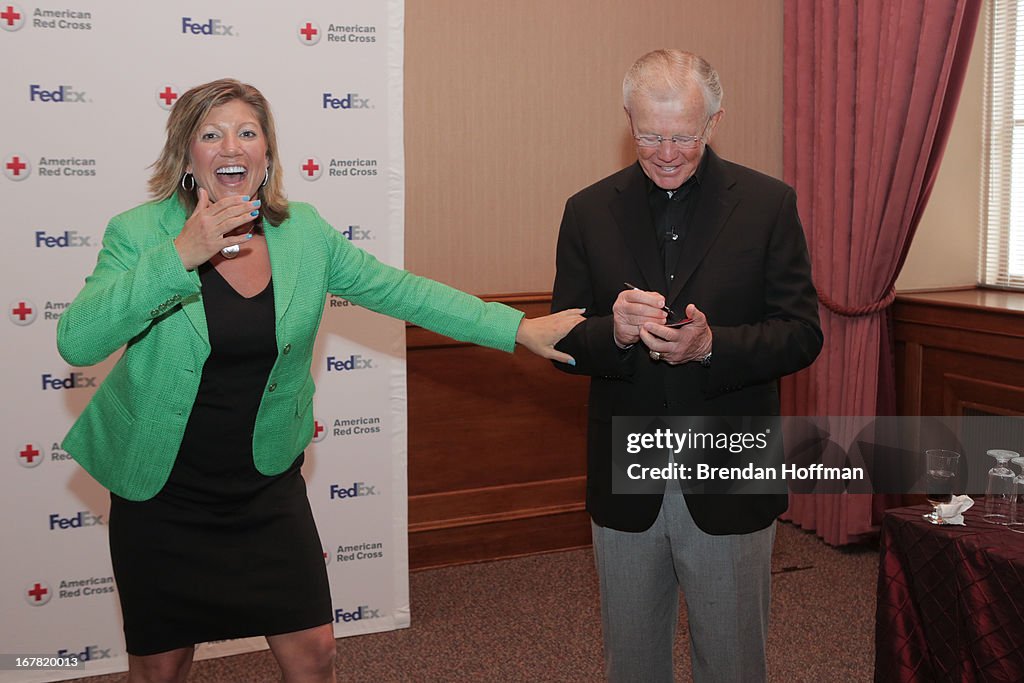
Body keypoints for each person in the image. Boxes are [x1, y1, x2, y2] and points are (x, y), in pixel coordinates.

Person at [56, 78, 583, 683]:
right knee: (162, 663)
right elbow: (79, 340)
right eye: (211, 133)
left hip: (264, 483)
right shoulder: (139, 234)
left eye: (247, 132)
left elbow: (401, 290)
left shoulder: (303, 233)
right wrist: (181, 252)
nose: (232, 145)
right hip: (161, 488)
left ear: (267, 153)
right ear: (187, 155)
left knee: (314, 653)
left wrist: (518, 328)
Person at [551, 50, 823, 682]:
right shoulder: (588, 210)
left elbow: (801, 335)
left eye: (683, 137)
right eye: (649, 136)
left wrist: (712, 347)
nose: (666, 152)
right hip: (626, 475)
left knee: (732, 662)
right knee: (633, 663)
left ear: (714, 122)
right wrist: (610, 332)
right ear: (628, 121)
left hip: (729, 470)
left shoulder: (767, 204)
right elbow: (563, 341)